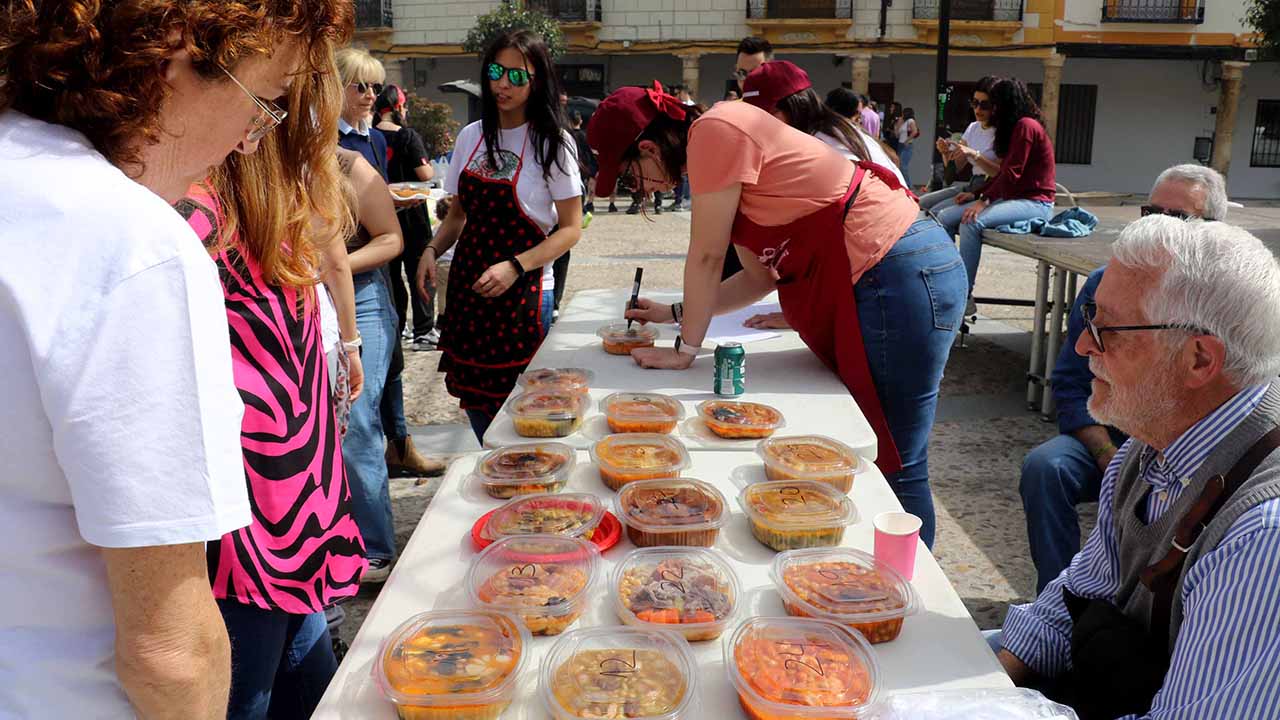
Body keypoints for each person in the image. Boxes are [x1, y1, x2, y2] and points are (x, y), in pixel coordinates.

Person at [0, 2, 351, 717]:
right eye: (265, 101)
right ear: (174, 52)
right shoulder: (133, 242)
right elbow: (169, 652)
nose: (254, 141)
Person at [589, 83, 967, 548]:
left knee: (895, 459)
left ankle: (906, 587)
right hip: (893, 271)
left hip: (896, 271)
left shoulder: (715, 131)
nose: (639, 189)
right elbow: (756, 278)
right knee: (886, 455)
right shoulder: (721, 155)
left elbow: (706, 256)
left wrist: (685, 351)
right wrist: (675, 313)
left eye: (631, 176)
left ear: (648, 147)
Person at [993, 215, 1280, 719]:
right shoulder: (1150, 446)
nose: (1083, 345)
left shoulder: (1262, 534)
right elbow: (1076, 596)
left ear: (1198, 360)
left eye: (1107, 329)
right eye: (1088, 317)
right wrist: (981, 686)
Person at [174, 53, 368, 718]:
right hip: (247, 525)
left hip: (288, 506)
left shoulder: (271, 207)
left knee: (306, 687)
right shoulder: (196, 216)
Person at [1018, 165, 1229, 594]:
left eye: (1178, 218)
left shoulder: (1223, 305)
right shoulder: (1105, 286)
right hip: (1112, 439)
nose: (1159, 228)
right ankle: (1059, 597)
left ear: (1214, 230)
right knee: (1046, 467)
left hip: (1188, 457)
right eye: (1152, 213)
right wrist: (1107, 455)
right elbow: (1071, 382)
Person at [416, 31, 583, 443]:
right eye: (495, 72)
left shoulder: (553, 144)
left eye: (515, 75)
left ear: (537, 81)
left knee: (524, 408)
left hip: (524, 292)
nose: (502, 84)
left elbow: (571, 229)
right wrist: (432, 249)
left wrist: (516, 265)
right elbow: (458, 214)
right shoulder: (471, 136)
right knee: (476, 401)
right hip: (470, 289)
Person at [941, 78, 1056, 295]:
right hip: (1014, 197)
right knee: (945, 217)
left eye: (992, 105)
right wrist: (974, 194)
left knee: (970, 222)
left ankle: (963, 293)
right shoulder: (1015, 127)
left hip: (1036, 203)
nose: (988, 110)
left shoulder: (1026, 126)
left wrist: (982, 202)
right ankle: (948, 279)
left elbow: (1011, 174)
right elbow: (1004, 174)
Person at [743, 61, 904, 186]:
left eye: (767, 114)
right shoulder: (834, 129)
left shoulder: (822, 145)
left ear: (796, 105)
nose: (761, 124)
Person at [375, 85, 440, 352]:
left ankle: (397, 325)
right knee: (419, 271)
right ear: (399, 108)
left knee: (390, 275)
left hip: (380, 215)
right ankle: (423, 329)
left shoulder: (370, 136)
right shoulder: (407, 136)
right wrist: (432, 166)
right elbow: (425, 174)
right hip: (412, 215)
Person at [920, 75, 1002, 213]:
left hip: (988, 187)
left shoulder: (1002, 132)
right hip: (971, 184)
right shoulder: (973, 128)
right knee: (922, 203)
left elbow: (999, 173)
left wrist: (974, 154)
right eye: (975, 103)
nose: (978, 109)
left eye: (984, 105)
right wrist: (946, 153)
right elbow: (950, 176)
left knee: (937, 213)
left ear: (995, 106)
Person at [894, 107, 920, 187]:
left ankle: (908, 185)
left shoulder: (910, 121)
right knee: (898, 165)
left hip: (907, 145)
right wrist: (898, 123)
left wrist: (907, 140)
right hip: (900, 144)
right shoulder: (903, 122)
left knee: (903, 166)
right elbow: (897, 135)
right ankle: (902, 184)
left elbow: (914, 131)